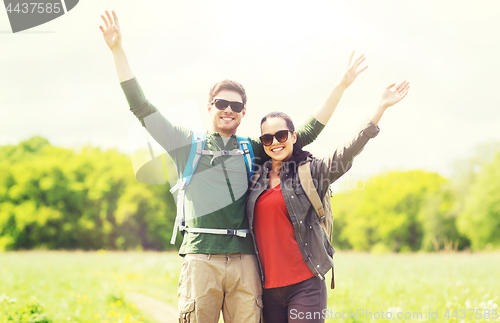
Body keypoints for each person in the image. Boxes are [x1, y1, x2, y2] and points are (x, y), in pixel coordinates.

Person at [99, 9, 368, 322]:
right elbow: (141, 107)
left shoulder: (255, 148)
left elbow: (305, 132)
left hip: (245, 260)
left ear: (243, 112)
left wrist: (341, 86)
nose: (229, 109)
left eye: (236, 106)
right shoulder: (186, 144)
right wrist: (117, 50)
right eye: (222, 104)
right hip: (201, 256)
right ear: (210, 106)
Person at [246, 81, 410, 323]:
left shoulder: (312, 171)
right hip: (266, 288)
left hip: (305, 284)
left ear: (293, 136)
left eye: (281, 135)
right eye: (267, 138)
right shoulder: (255, 178)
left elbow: (347, 150)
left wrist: (380, 107)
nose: (275, 142)